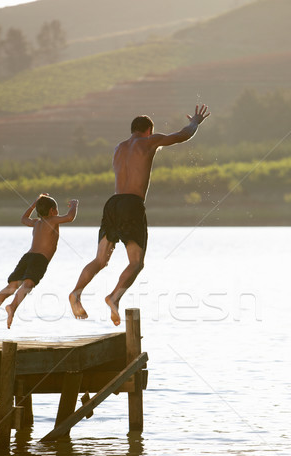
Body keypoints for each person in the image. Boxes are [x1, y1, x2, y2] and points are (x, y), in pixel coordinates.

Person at [69, 103, 210, 326]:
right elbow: (183, 135)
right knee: (136, 263)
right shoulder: (148, 142)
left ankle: (76, 293)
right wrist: (195, 122)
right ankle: (114, 297)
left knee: (100, 259)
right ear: (149, 131)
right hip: (132, 205)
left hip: (112, 204)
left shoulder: (118, 148)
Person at [0, 193, 78, 333]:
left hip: (27, 257)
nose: (58, 213)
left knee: (11, 286)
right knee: (28, 284)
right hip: (39, 259)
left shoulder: (36, 223)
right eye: (56, 209)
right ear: (53, 211)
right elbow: (70, 217)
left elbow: (23, 219)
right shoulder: (53, 220)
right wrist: (74, 205)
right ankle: (12, 307)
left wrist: (35, 203)